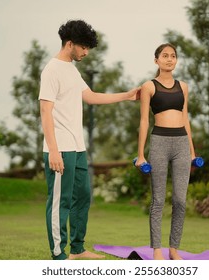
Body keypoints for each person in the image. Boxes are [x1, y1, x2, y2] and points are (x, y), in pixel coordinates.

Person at [39, 19, 140, 260]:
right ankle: (58, 256)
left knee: (83, 196)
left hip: (77, 147)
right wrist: (53, 151)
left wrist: (126, 96)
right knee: (59, 203)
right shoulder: (51, 70)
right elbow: (45, 111)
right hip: (60, 148)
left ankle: (77, 249)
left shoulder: (72, 70)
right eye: (83, 47)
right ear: (69, 43)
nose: (86, 52)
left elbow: (91, 97)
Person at [135, 43, 196, 260]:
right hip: (159, 141)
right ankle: (157, 249)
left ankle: (174, 249)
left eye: (173, 56)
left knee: (180, 200)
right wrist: (141, 154)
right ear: (156, 60)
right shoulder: (149, 87)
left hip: (181, 143)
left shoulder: (184, 87)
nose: (169, 59)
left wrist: (192, 151)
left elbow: (185, 118)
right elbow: (144, 121)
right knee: (158, 200)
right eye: (165, 56)